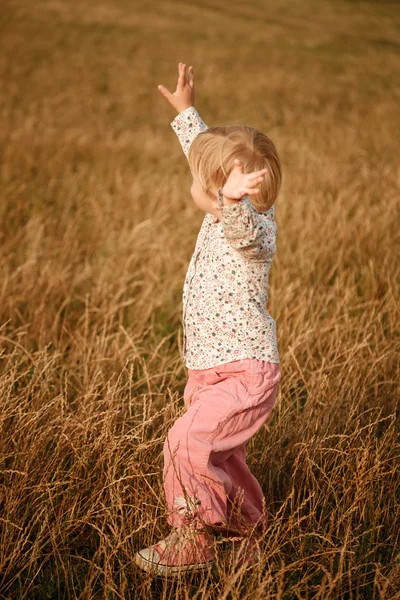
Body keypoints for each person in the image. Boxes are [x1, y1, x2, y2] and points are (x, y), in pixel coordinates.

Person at [134, 63, 282, 577]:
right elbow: (208, 160)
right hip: (207, 369)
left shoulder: (255, 231)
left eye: (231, 185)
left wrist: (233, 199)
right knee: (218, 456)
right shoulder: (221, 206)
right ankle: (248, 535)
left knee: (186, 443)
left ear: (250, 191)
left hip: (245, 371)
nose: (210, 189)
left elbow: (239, 222)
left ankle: (192, 536)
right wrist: (185, 114)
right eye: (220, 182)